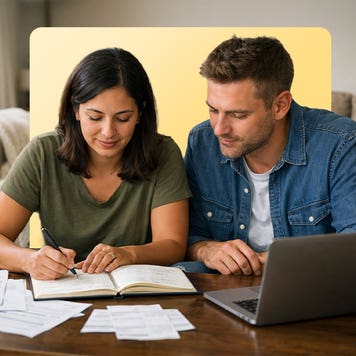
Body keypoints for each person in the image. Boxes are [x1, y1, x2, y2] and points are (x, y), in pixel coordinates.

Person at [0, 47, 191, 280]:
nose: (108, 132)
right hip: (61, 290)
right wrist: (29, 260)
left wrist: (128, 254)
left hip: (135, 294)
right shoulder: (42, 152)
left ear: (140, 112)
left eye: (123, 118)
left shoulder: (163, 153)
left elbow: (172, 244)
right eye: (95, 117)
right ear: (76, 109)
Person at [181, 35, 356, 276]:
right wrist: (206, 249)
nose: (219, 128)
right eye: (213, 110)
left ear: (280, 106)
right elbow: (188, 235)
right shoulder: (201, 142)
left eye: (238, 115)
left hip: (309, 287)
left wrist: (280, 262)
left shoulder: (341, 145)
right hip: (226, 290)